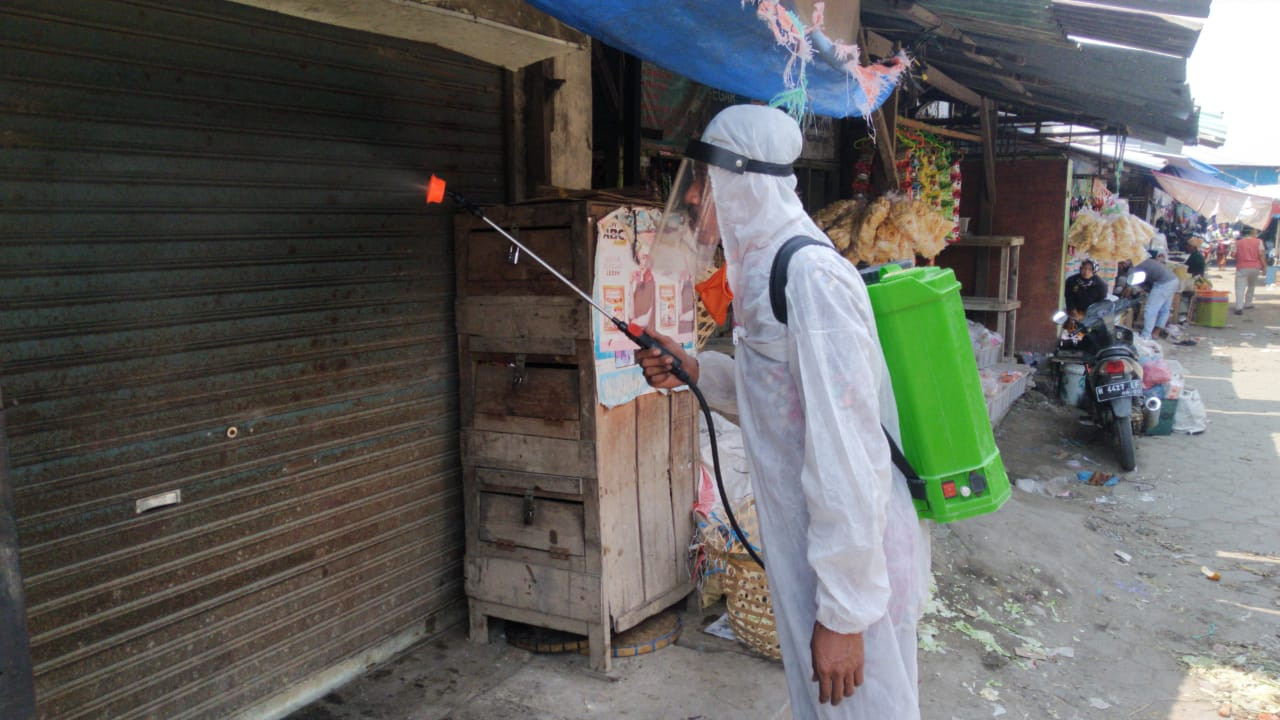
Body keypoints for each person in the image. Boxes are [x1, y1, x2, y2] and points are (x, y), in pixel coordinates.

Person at [637, 105, 930, 718]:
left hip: (854, 561)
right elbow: (781, 398)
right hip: (815, 552)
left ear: (745, 181)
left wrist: (845, 612)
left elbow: (848, 452)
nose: (692, 195)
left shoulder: (809, 277)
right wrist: (696, 370)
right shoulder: (764, 271)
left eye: (702, 179)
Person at [1121, 253, 1180, 339]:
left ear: (1125, 263)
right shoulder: (1143, 262)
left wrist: (1122, 299)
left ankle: (1146, 335)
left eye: (1121, 264)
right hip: (1173, 280)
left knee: (1150, 310)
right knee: (1164, 309)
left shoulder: (1133, 268)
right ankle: (1156, 332)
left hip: (1163, 283)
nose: (1120, 267)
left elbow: (1128, 289)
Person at [1232, 227, 1265, 315]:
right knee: (1252, 285)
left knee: (1240, 288)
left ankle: (1239, 307)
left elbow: (1232, 254)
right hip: (1255, 267)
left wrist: (1240, 256)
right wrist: (1264, 267)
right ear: (1252, 232)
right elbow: (1261, 255)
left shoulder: (1238, 242)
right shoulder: (1259, 241)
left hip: (1242, 267)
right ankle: (1248, 303)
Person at [1176, 235, 1208, 323]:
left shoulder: (1195, 256)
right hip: (1198, 279)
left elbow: (1186, 267)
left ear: (1193, 247)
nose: (1187, 247)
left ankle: (1182, 313)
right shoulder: (1197, 255)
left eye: (1188, 246)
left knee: (1178, 291)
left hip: (1195, 281)